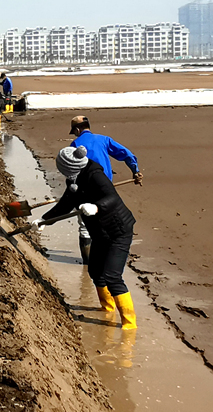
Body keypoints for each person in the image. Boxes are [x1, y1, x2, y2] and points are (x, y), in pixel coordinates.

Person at [36, 145, 138, 329]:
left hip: (118, 231)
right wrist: (44, 220)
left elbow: (112, 198)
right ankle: (108, 309)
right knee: (95, 272)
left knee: (112, 276)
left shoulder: (95, 175)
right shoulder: (73, 179)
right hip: (100, 232)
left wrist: (96, 207)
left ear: (69, 167)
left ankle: (129, 325)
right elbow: (65, 205)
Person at [69, 115, 143, 265]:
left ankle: (88, 264)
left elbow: (71, 170)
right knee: (108, 221)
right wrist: (135, 171)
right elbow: (126, 154)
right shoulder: (103, 139)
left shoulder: (75, 144)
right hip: (106, 190)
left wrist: (71, 191)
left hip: (85, 190)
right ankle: (108, 259)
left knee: (85, 226)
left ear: (77, 129)